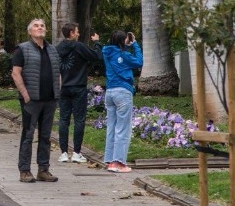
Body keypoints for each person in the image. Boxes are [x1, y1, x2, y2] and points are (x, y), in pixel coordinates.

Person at [10, 18, 60, 183]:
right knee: (28, 135)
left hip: (50, 99)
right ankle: (24, 170)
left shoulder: (52, 49)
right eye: (36, 26)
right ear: (30, 31)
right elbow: (16, 73)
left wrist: (58, 91)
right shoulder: (22, 49)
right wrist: (25, 94)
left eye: (42, 26)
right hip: (31, 101)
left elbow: (57, 72)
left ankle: (43, 170)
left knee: (46, 135)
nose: (40, 28)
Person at [54, 23, 101, 164]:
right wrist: (97, 43)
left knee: (64, 119)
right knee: (79, 120)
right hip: (79, 86)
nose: (79, 34)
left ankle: (63, 152)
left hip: (64, 87)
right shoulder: (79, 46)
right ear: (72, 33)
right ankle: (76, 152)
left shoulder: (58, 48)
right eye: (77, 31)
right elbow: (96, 56)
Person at [102, 30, 142, 173]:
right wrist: (135, 44)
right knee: (123, 129)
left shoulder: (106, 52)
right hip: (123, 91)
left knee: (112, 127)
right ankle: (119, 162)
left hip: (110, 91)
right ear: (123, 41)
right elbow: (139, 62)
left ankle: (110, 160)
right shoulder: (124, 55)